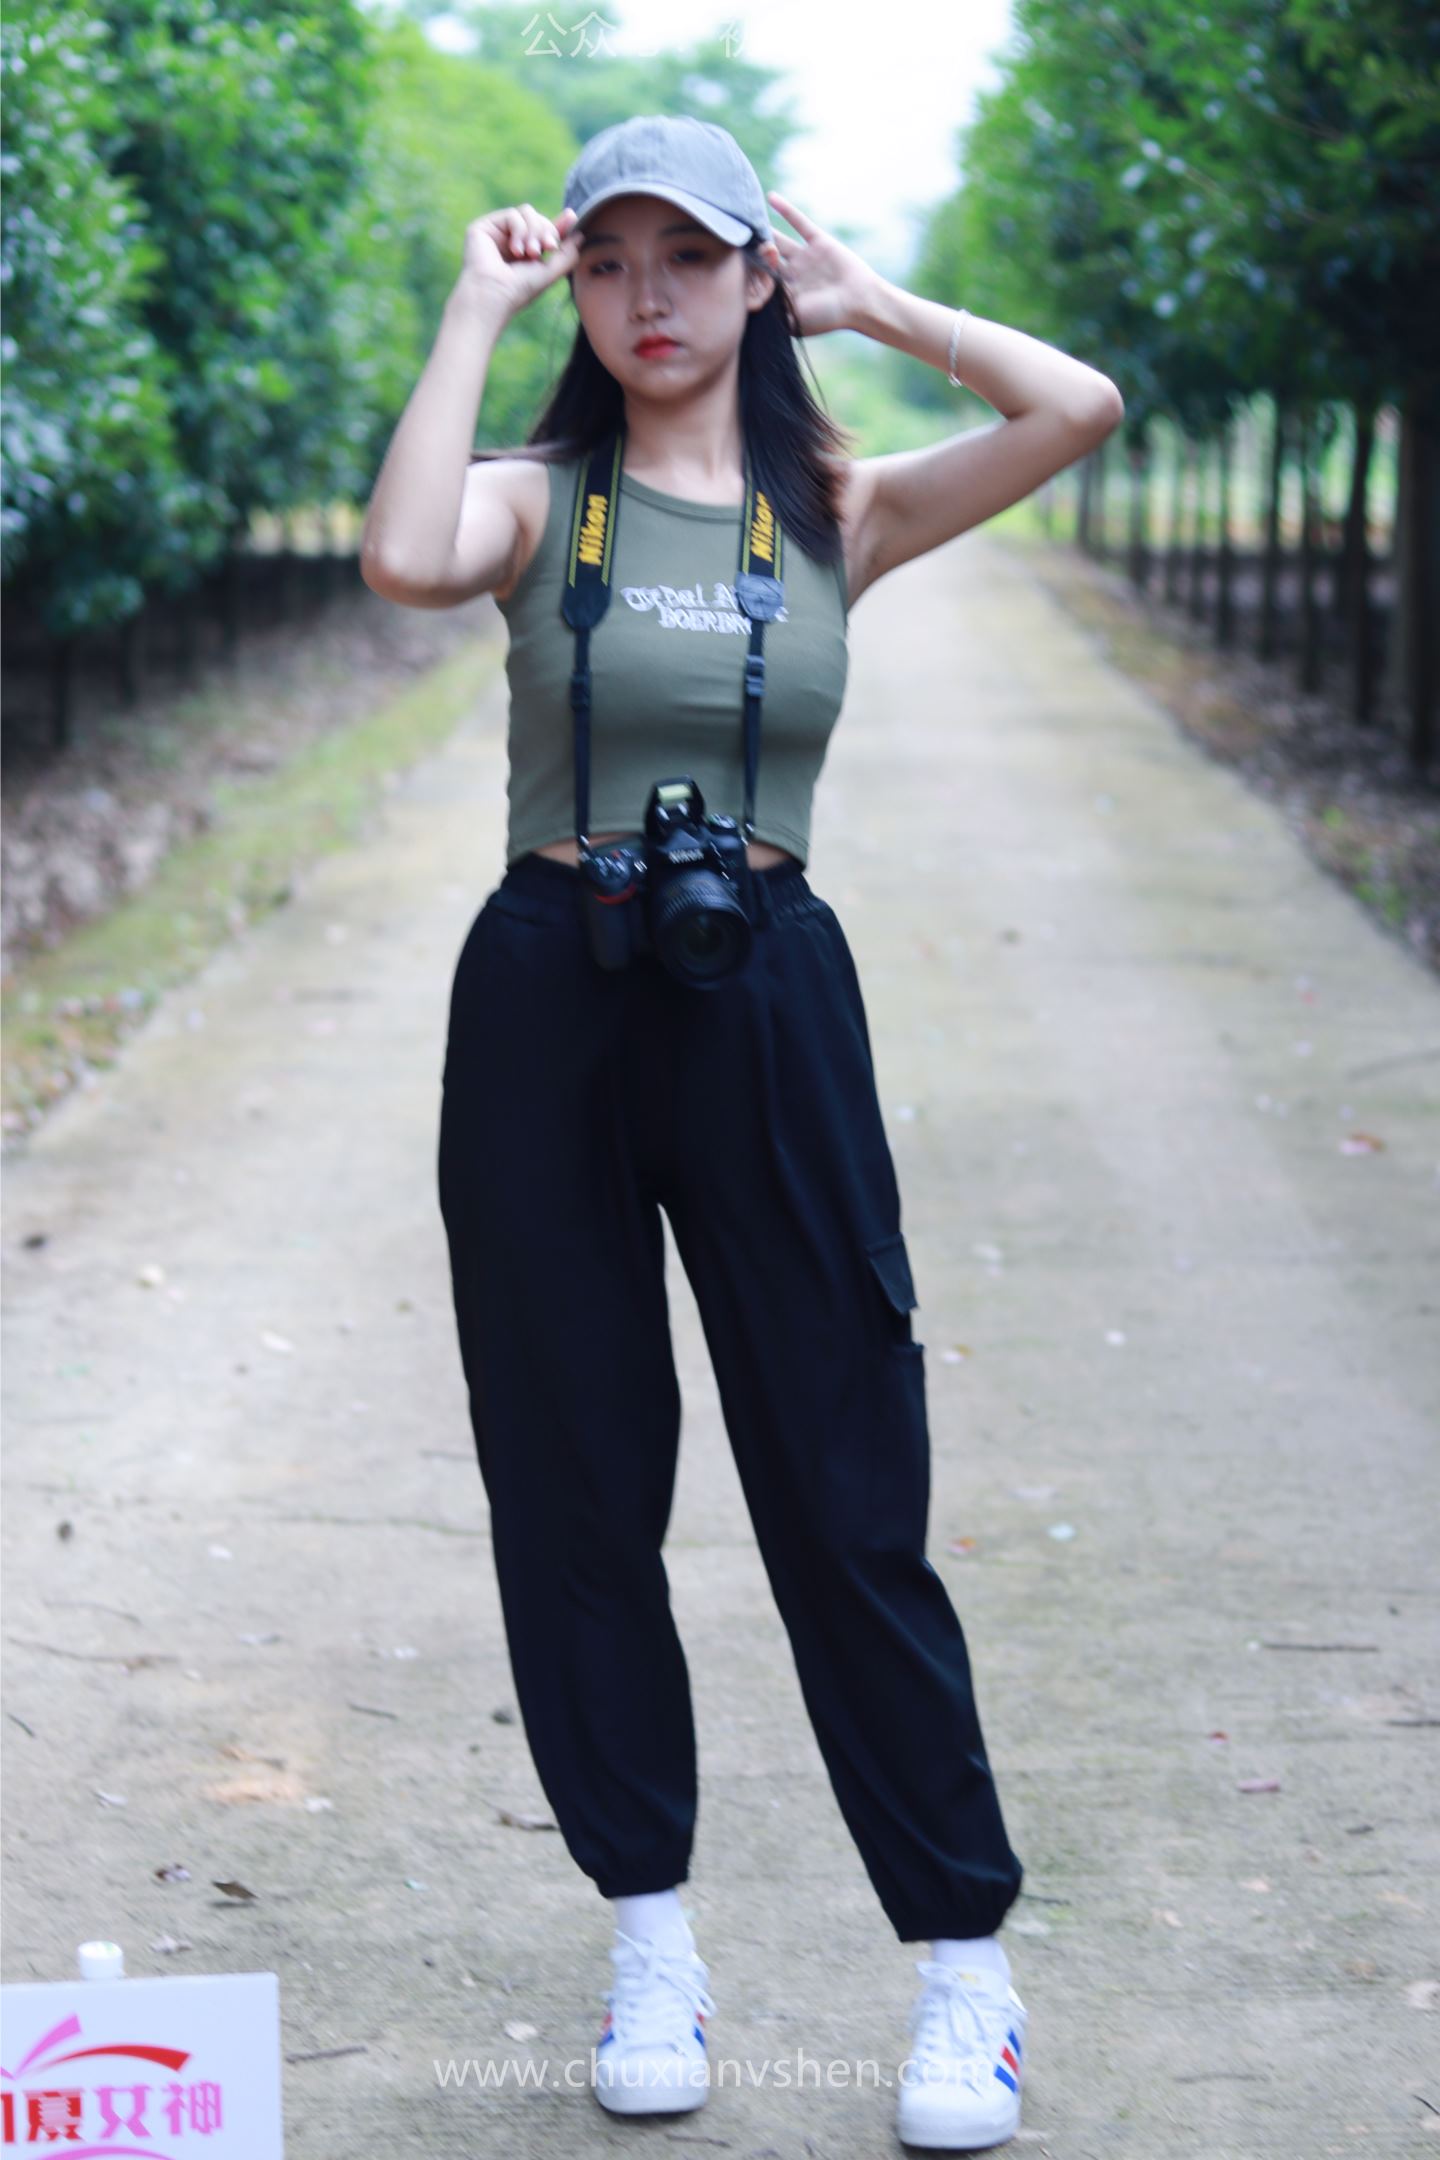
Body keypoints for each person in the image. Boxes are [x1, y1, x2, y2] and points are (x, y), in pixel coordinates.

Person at [362, 112, 1123, 2152]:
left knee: (845, 1481)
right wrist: (471, 311)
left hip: (767, 989)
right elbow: (402, 554)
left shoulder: (838, 506)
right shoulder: (539, 501)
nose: (648, 300)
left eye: (687, 260)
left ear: (749, 277)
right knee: (576, 1480)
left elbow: (1078, 405)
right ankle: (651, 1941)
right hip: (550, 988)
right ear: (575, 285)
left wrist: (881, 304)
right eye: (608, 263)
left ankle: (964, 1973)